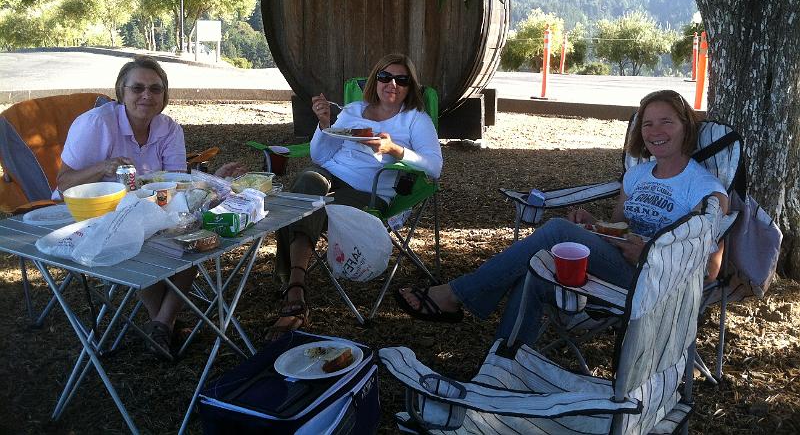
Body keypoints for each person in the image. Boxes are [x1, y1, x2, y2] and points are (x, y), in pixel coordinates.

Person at [396, 89, 729, 346]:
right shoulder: (637, 176)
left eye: (666, 121)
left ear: (686, 126)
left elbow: (710, 269)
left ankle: (455, 294)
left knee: (556, 230)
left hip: (656, 282)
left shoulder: (706, 189)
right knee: (538, 267)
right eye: (647, 123)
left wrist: (649, 253)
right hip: (618, 266)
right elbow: (620, 227)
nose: (655, 131)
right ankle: (503, 366)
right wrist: (592, 226)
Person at [57, 55, 246, 360]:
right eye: (138, 88)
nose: (147, 95)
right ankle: (165, 321)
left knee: (193, 232)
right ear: (122, 91)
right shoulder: (96, 124)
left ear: (164, 95)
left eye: (155, 89)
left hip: (148, 209)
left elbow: (176, 183)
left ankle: (160, 322)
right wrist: (104, 165)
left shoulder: (169, 128)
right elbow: (64, 182)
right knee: (147, 235)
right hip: (89, 213)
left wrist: (211, 181)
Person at [267, 53, 443, 340]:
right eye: (385, 77)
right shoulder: (352, 111)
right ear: (376, 81)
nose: (392, 85)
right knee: (306, 185)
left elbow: (434, 167)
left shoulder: (415, 120)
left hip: (370, 190)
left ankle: (293, 287)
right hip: (330, 175)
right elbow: (321, 155)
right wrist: (324, 125)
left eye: (401, 80)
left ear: (410, 86)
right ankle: (297, 284)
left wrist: (395, 150)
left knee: (306, 206)